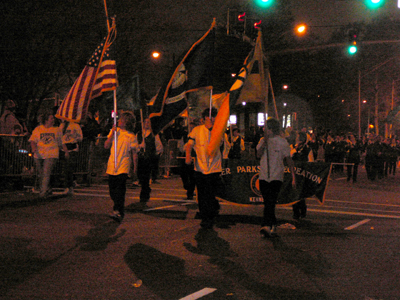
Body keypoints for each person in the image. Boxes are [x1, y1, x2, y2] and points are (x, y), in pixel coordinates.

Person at [256, 118, 296, 237]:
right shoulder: (263, 140)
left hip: (276, 176)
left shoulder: (282, 142)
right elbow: (258, 154)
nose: (264, 130)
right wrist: (265, 142)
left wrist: (293, 176)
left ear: (271, 129)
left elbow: (289, 159)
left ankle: (266, 225)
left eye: (266, 128)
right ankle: (272, 223)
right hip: (264, 175)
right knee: (268, 201)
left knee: (270, 200)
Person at [185, 107, 222, 229]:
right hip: (200, 168)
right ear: (205, 117)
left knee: (210, 194)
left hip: (214, 168)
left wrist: (214, 129)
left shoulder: (218, 131)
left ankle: (209, 217)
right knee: (201, 194)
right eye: (210, 116)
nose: (212, 119)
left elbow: (220, 144)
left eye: (214, 117)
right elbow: (189, 145)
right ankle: (205, 215)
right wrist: (188, 156)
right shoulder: (197, 130)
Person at [104, 112, 138, 222]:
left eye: (121, 119)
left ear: (125, 122)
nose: (118, 121)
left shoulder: (131, 136)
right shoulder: (115, 132)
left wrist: (134, 168)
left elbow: (134, 153)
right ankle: (117, 207)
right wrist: (111, 135)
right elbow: (106, 145)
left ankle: (118, 210)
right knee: (112, 190)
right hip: (112, 165)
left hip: (123, 165)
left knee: (120, 189)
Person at [29, 110, 69, 198]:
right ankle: (47, 188)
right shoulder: (38, 129)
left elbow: (61, 142)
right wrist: (34, 148)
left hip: (51, 153)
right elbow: (33, 140)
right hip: (39, 154)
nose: (53, 120)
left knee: (46, 172)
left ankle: (43, 193)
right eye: (51, 118)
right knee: (41, 173)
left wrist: (66, 151)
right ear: (46, 120)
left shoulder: (56, 130)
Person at [136, 117, 163, 203]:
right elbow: (135, 145)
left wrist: (155, 155)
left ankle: (144, 195)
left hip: (149, 159)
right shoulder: (139, 134)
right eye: (145, 122)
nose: (147, 124)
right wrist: (140, 146)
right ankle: (146, 189)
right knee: (140, 176)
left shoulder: (154, 134)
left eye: (148, 122)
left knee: (146, 177)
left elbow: (159, 147)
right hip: (141, 158)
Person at [291, 131, 312, 219]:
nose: (297, 138)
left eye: (298, 137)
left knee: (301, 194)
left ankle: (303, 210)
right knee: (294, 193)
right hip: (294, 174)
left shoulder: (307, 149)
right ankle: (295, 212)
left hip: (302, 174)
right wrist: (295, 149)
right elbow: (289, 156)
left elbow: (311, 162)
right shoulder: (293, 147)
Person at [59, 121, 83, 195]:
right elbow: (59, 138)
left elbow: (80, 137)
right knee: (65, 168)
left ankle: (70, 186)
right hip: (64, 148)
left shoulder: (75, 126)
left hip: (72, 148)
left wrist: (74, 137)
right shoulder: (61, 126)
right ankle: (67, 186)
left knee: (70, 168)